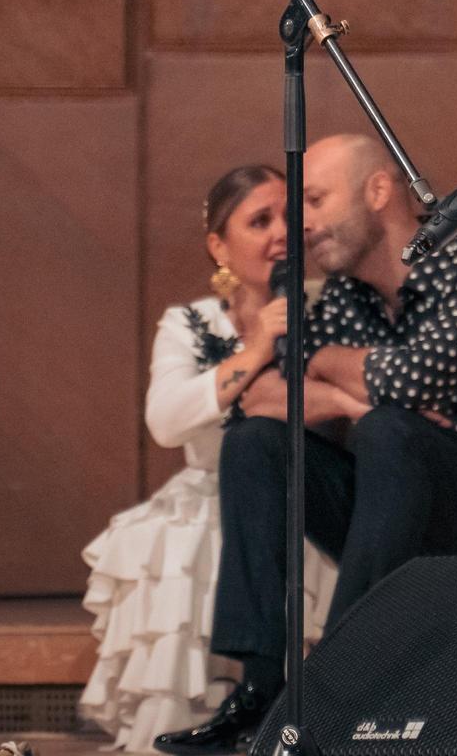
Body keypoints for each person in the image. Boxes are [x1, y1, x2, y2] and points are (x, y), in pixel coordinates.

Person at [156, 133, 457, 755]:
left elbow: (410, 379)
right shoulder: (344, 302)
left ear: (378, 191)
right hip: (400, 508)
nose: (302, 227)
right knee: (256, 444)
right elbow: (262, 396)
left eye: (315, 202)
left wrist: (330, 372)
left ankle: (333, 681)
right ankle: (261, 693)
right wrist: (352, 393)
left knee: (388, 431)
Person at [79, 165, 342, 751]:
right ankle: (231, 713)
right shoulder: (190, 321)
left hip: (306, 499)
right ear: (219, 246)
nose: (281, 233)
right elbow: (166, 421)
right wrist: (255, 350)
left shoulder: (333, 304)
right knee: (186, 544)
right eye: (259, 221)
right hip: (209, 500)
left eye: (289, 218)